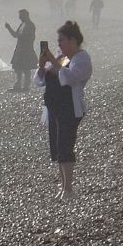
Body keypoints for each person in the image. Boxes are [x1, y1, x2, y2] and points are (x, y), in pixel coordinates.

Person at [35, 21, 93, 200]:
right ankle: (63, 187)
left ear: (73, 40)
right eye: (58, 41)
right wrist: (42, 66)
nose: (59, 44)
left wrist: (53, 61)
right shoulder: (62, 57)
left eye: (62, 40)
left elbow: (71, 78)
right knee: (57, 148)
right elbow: (39, 81)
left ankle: (69, 189)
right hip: (54, 107)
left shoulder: (81, 58)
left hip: (69, 107)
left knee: (65, 146)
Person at [4, 9, 37, 92]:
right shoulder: (22, 24)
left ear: (26, 15)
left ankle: (26, 87)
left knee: (26, 69)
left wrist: (21, 37)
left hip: (27, 49)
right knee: (18, 68)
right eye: (19, 16)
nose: (20, 17)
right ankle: (18, 85)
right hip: (20, 49)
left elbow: (29, 37)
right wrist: (9, 28)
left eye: (21, 16)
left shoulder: (30, 25)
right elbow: (16, 35)